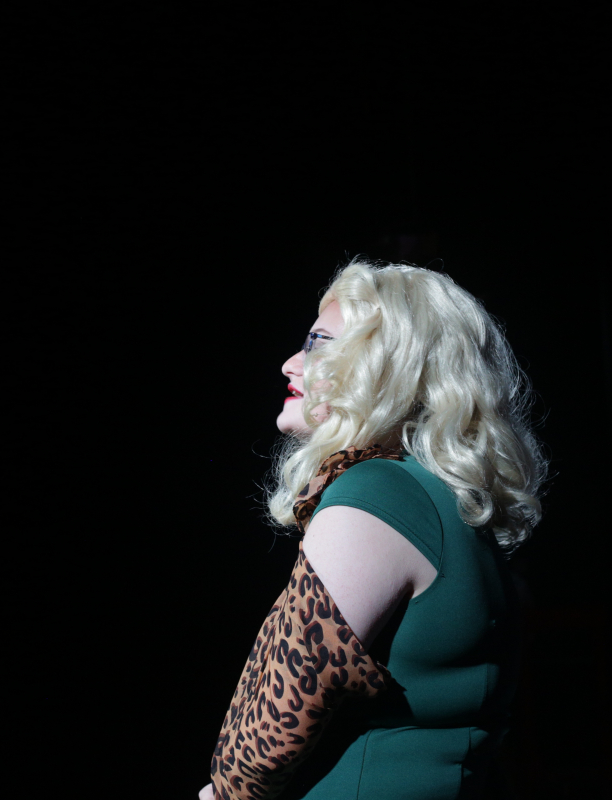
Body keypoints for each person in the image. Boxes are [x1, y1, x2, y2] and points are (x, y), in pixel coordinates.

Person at [200, 260, 548, 800]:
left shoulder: (378, 493)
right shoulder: (438, 495)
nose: (291, 363)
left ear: (389, 364)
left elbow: (266, 737)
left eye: (319, 343)